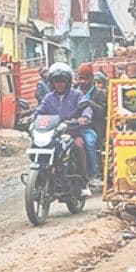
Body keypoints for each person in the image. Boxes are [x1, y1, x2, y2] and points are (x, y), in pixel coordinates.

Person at [36, 62, 93, 190]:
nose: (59, 84)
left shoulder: (76, 95)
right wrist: (32, 118)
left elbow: (86, 107)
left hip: (73, 132)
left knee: (78, 146)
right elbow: (40, 111)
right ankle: (42, 179)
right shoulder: (48, 98)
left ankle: (83, 182)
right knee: (40, 147)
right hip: (53, 134)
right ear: (52, 83)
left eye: (62, 81)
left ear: (67, 82)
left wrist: (84, 117)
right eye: (56, 82)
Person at [75, 63, 107, 186]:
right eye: (81, 78)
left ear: (91, 79)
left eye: (86, 78)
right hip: (74, 126)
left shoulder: (99, 93)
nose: (83, 81)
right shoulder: (74, 91)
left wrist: (90, 104)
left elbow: (102, 112)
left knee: (89, 142)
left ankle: (94, 173)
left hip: (93, 126)